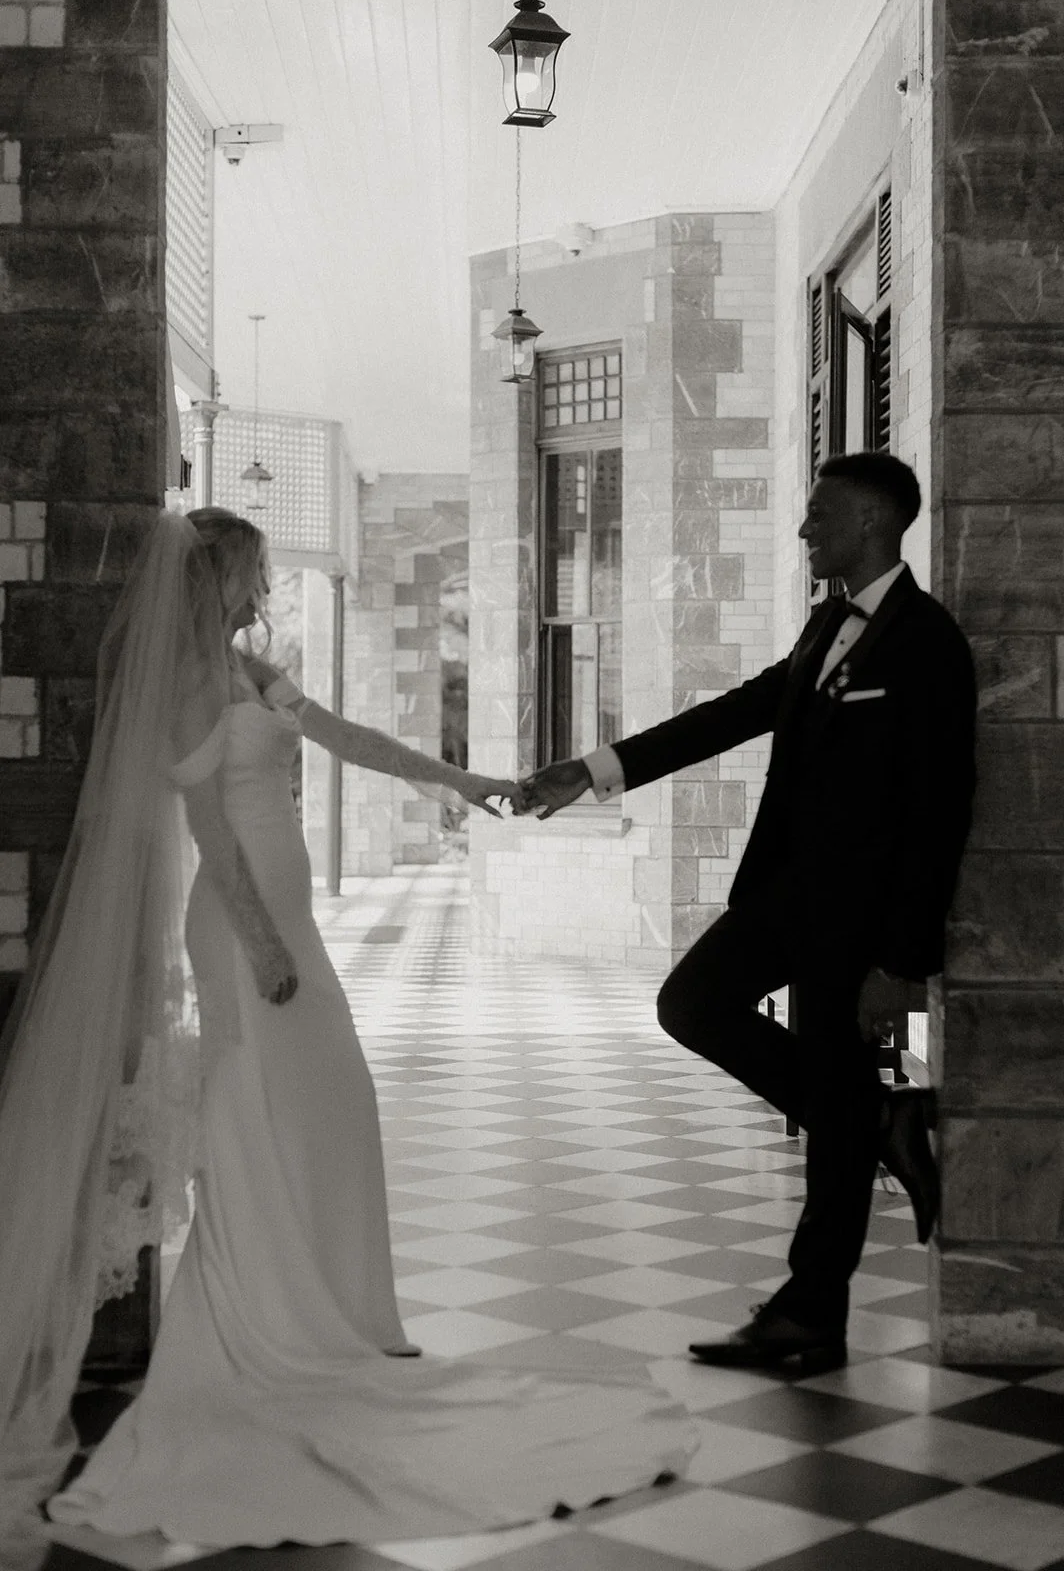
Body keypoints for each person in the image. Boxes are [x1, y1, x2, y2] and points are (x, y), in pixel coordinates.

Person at [0, 508, 694, 1561]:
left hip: (290, 925)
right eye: (254, 569)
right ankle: (269, 1323)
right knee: (258, 1114)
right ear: (219, 575)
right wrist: (261, 948)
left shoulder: (250, 669)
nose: (264, 584)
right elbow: (210, 835)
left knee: (333, 1104)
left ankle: (342, 1313)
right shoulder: (186, 682)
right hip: (247, 932)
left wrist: (460, 780)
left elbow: (347, 740)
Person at [518, 453, 977, 1373]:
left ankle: (812, 1311)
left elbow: (940, 813)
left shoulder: (928, 642)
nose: (805, 530)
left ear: (873, 521)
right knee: (690, 1004)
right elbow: (731, 715)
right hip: (789, 896)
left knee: (831, 1095)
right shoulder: (826, 625)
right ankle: (876, 1124)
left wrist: (900, 965)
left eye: (820, 514)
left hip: (861, 923)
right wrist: (594, 771)